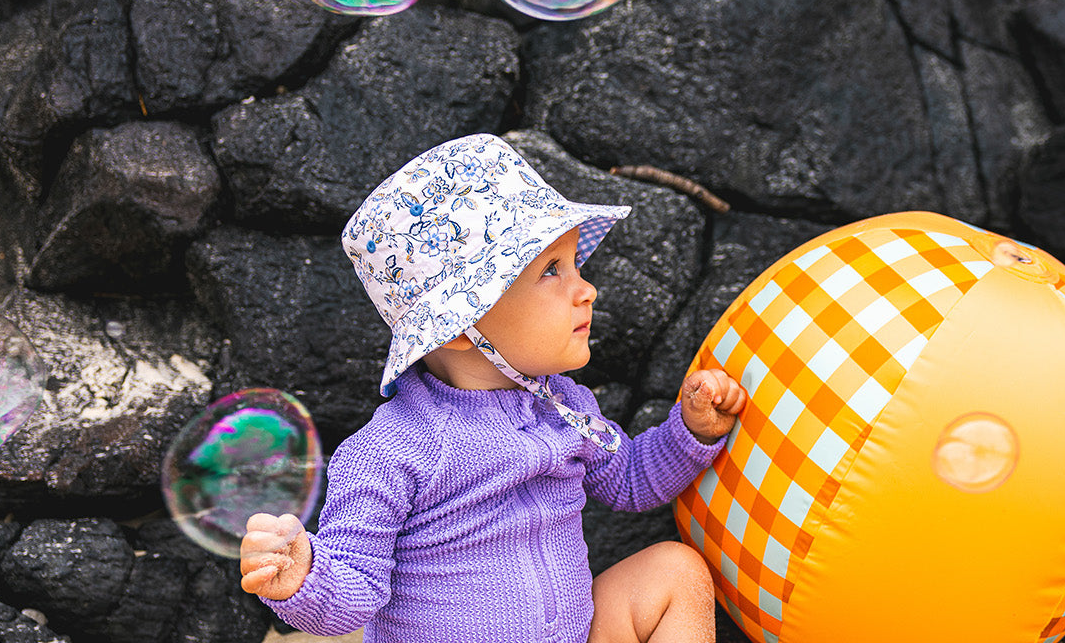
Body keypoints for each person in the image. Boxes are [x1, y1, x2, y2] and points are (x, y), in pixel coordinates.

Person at [236, 134, 746, 643]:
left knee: (675, 571)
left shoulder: (565, 406)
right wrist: (303, 577)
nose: (586, 289)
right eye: (551, 270)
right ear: (460, 327)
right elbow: (352, 592)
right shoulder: (389, 452)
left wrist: (691, 432)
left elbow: (630, 480)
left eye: (575, 265)